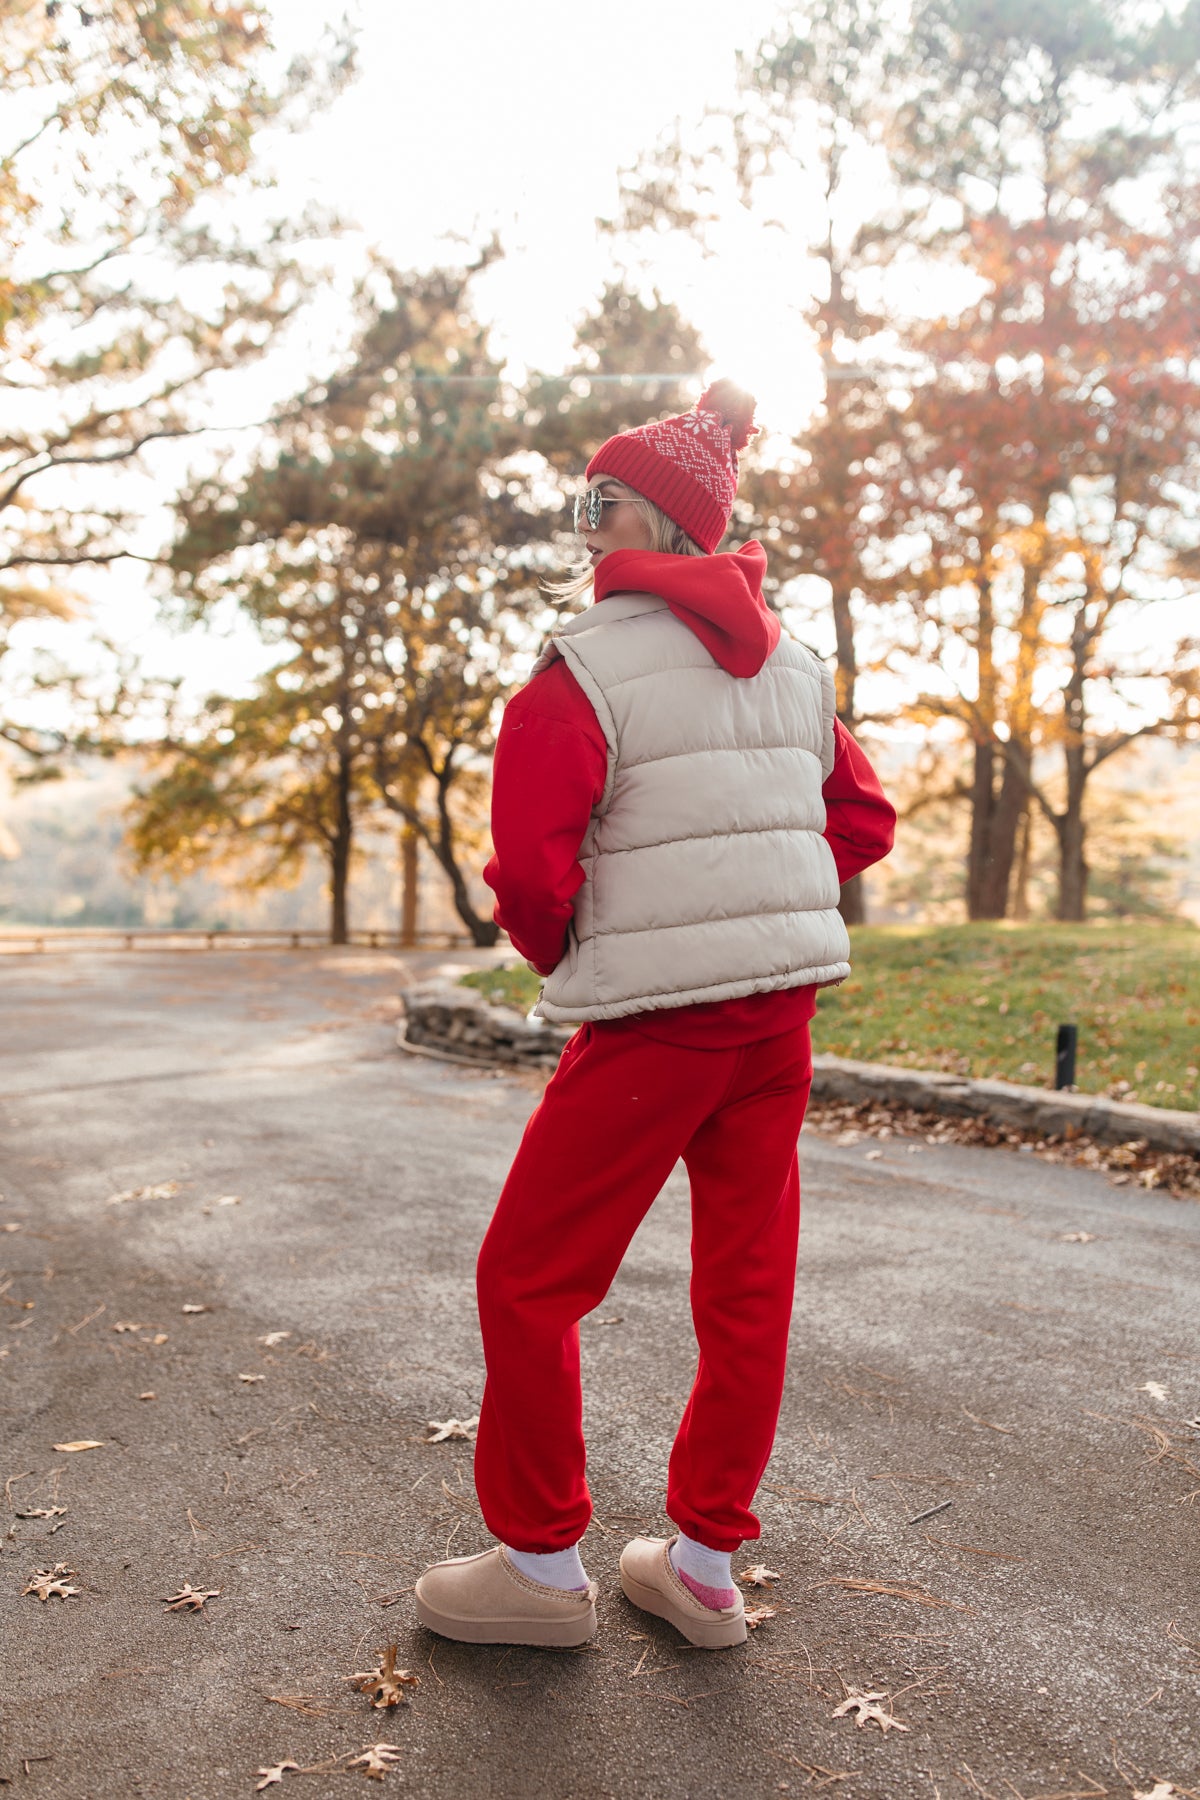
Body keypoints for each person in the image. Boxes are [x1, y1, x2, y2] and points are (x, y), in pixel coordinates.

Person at [414, 381, 896, 1651]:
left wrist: (573, 941)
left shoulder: (578, 673)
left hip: (651, 1028)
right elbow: (862, 821)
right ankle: (702, 1570)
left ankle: (539, 1567)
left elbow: (531, 873)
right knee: (746, 1287)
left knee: (528, 1279)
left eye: (602, 499)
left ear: (665, 521)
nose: (581, 523)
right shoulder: (796, 666)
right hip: (777, 1023)